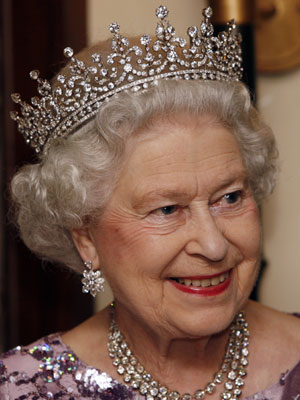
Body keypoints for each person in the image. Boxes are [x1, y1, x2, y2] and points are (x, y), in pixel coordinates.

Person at [1, 5, 300, 400]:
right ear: (86, 238)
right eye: (167, 209)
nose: (213, 246)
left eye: (229, 197)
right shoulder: (19, 389)